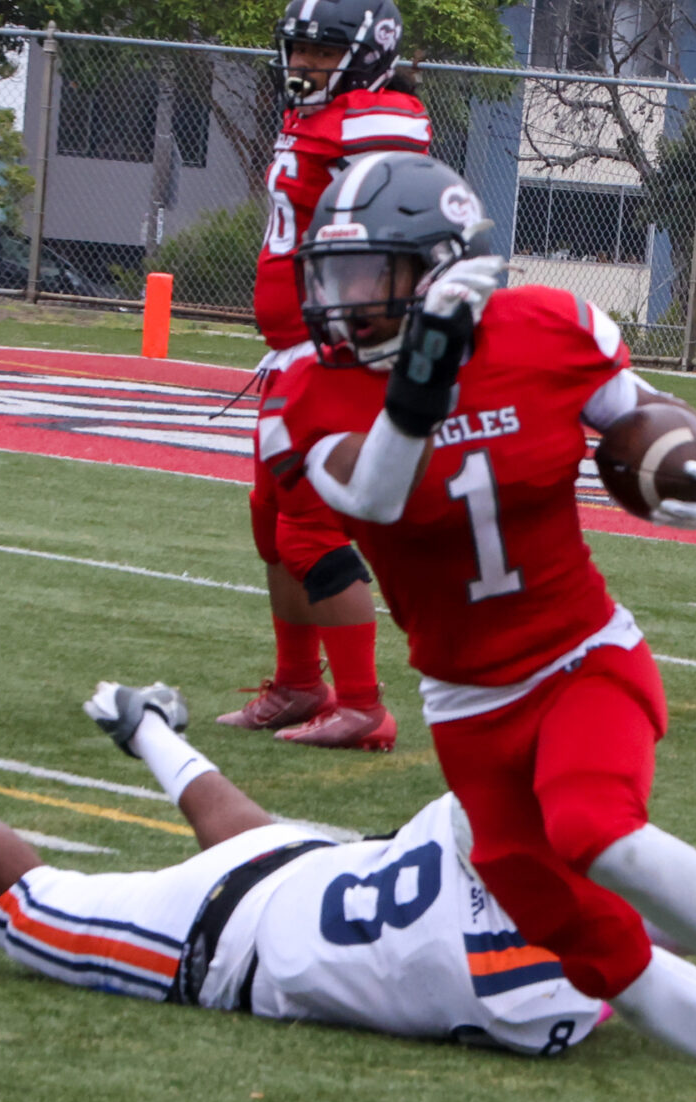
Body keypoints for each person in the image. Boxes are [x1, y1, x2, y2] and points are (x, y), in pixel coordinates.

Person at [260, 152, 696, 1102]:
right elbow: (370, 494)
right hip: (465, 702)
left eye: (371, 280)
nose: (344, 305)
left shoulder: (544, 327)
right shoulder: (310, 393)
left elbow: (652, 429)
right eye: (337, 278)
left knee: (592, 822)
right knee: (589, 945)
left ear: (442, 269)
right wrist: (426, 367)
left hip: (582, 653)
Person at [0, 681, 696, 1079]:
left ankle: (150, 730)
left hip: (305, 872)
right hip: (231, 945)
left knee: (256, 836)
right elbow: (602, 973)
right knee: (27, 907)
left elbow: (592, 936)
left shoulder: (470, 821)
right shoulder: (534, 998)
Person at [220, 0, 433, 751]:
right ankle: (296, 684)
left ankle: (364, 705)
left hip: (332, 352)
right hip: (291, 349)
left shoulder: (380, 121)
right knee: (270, 525)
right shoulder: (319, 114)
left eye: (320, 51)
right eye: (299, 48)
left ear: (368, 52)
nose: (303, 64)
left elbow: (401, 231)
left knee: (308, 529)